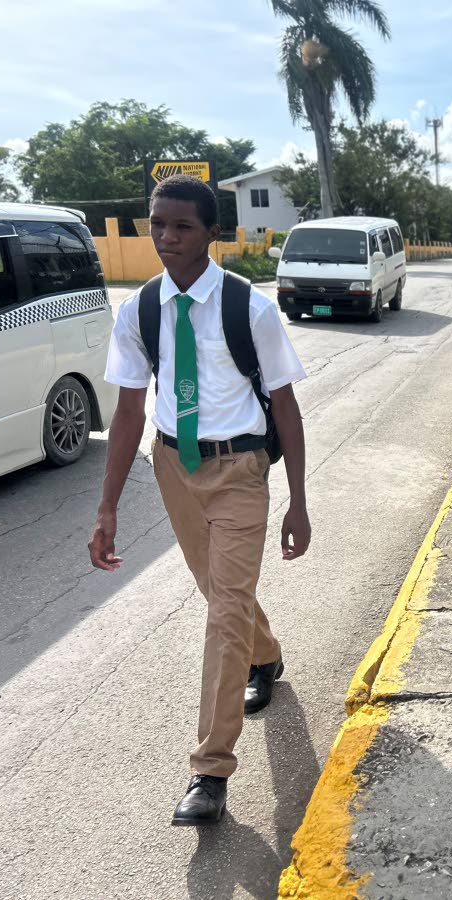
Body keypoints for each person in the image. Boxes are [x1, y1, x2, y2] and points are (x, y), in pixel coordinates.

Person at [89, 174, 311, 826]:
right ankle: (265, 654)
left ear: (211, 233)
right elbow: (130, 409)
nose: (166, 237)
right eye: (157, 224)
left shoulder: (252, 310)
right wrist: (107, 507)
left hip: (241, 469)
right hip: (174, 467)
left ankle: (209, 770)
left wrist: (298, 499)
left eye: (182, 226)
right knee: (223, 595)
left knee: (223, 613)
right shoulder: (140, 310)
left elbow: (287, 408)